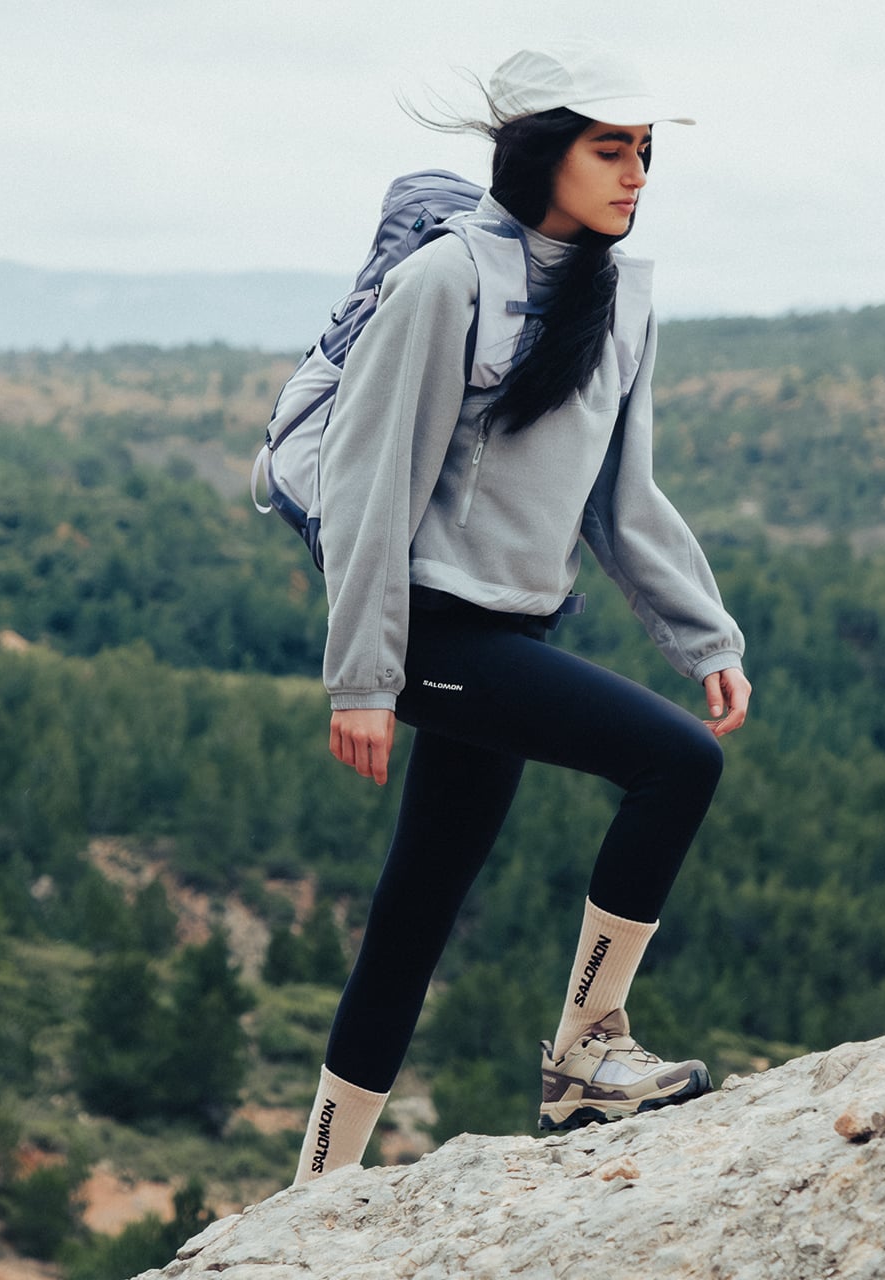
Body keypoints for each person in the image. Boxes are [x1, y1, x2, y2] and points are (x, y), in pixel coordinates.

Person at [294, 40, 751, 1186]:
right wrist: (362, 675)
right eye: (611, 150)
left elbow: (622, 500)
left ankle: (319, 1180)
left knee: (415, 909)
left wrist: (707, 636)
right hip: (434, 634)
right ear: (544, 153)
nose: (636, 173)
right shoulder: (446, 280)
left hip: (517, 631)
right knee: (673, 764)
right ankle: (586, 1055)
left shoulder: (622, 300)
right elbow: (366, 481)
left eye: (645, 153)